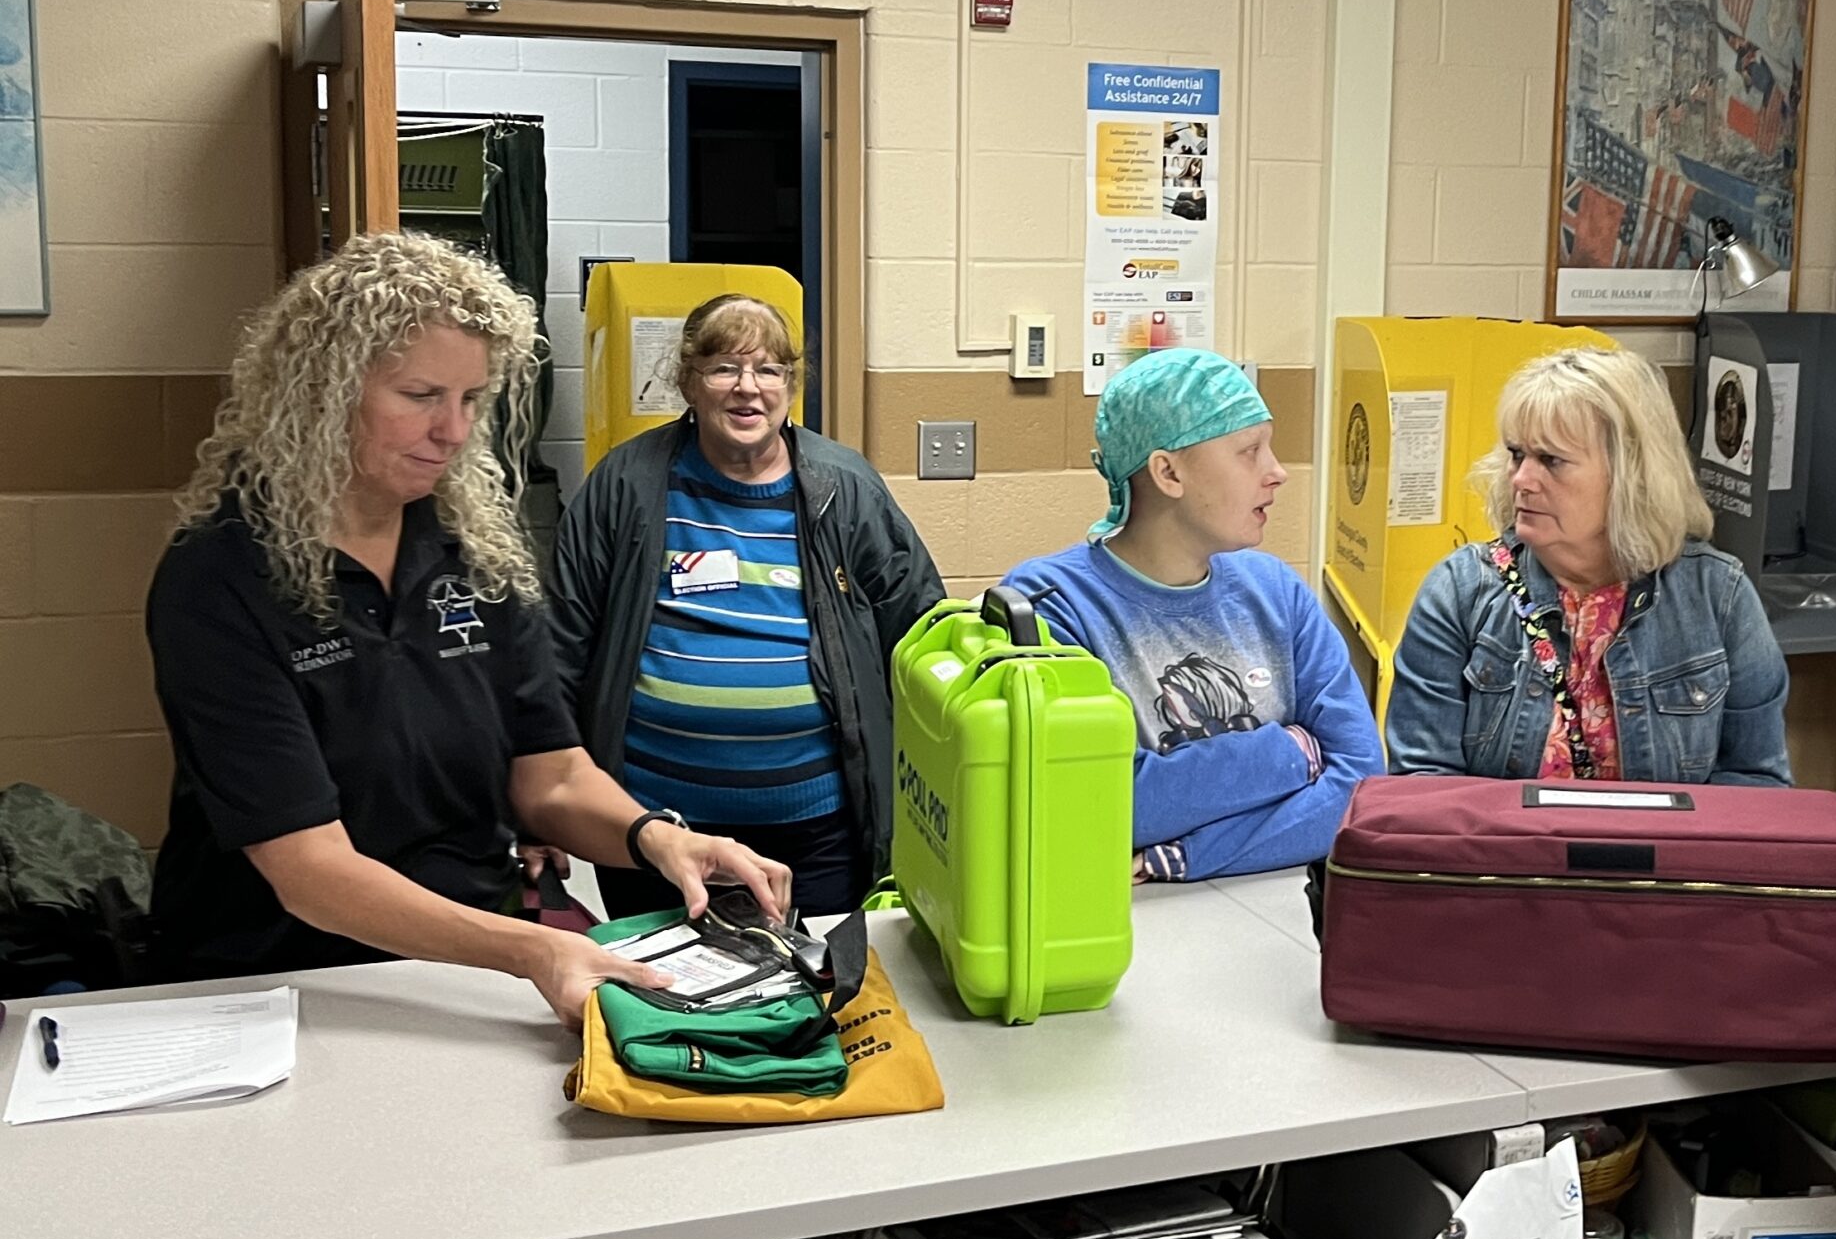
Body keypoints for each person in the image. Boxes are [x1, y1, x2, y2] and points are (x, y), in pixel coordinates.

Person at [147, 234, 787, 1024]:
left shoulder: (468, 550)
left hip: (462, 967)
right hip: (278, 982)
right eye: (421, 396)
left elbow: (548, 775)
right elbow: (311, 870)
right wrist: (533, 949)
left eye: (472, 400)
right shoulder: (222, 577)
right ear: (322, 391)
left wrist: (658, 839)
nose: (453, 431)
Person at [549, 294, 944, 917]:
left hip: (818, 830)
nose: (748, 389)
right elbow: (561, 646)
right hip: (657, 825)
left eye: (768, 370)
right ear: (687, 381)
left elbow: (921, 636)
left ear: (791, 384)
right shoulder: (625, 485)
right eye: (724, 368)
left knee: (814, 993)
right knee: (668, 990)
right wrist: (549, 800)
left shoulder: (845, 488)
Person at [1005, 349, 1380, 883]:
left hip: (1281, 913)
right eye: (1249, 451)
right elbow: (1098, 806)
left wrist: (1183, 854)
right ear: (1168, 472)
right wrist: (1292, 751)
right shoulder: (1051, 607)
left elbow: (1360, 787)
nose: (1277, 473)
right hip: (1125, 926)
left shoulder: (1277, 593)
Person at [1383, 345, 1790, 785]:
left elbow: (1757, 784)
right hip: (1506, 852)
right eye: (1518, 455)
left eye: (1551, 461)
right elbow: (1423, 789)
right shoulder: (1461, 592)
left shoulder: (1718, 596)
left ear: (1631, 473)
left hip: (1667, 854)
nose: (1521, 480)